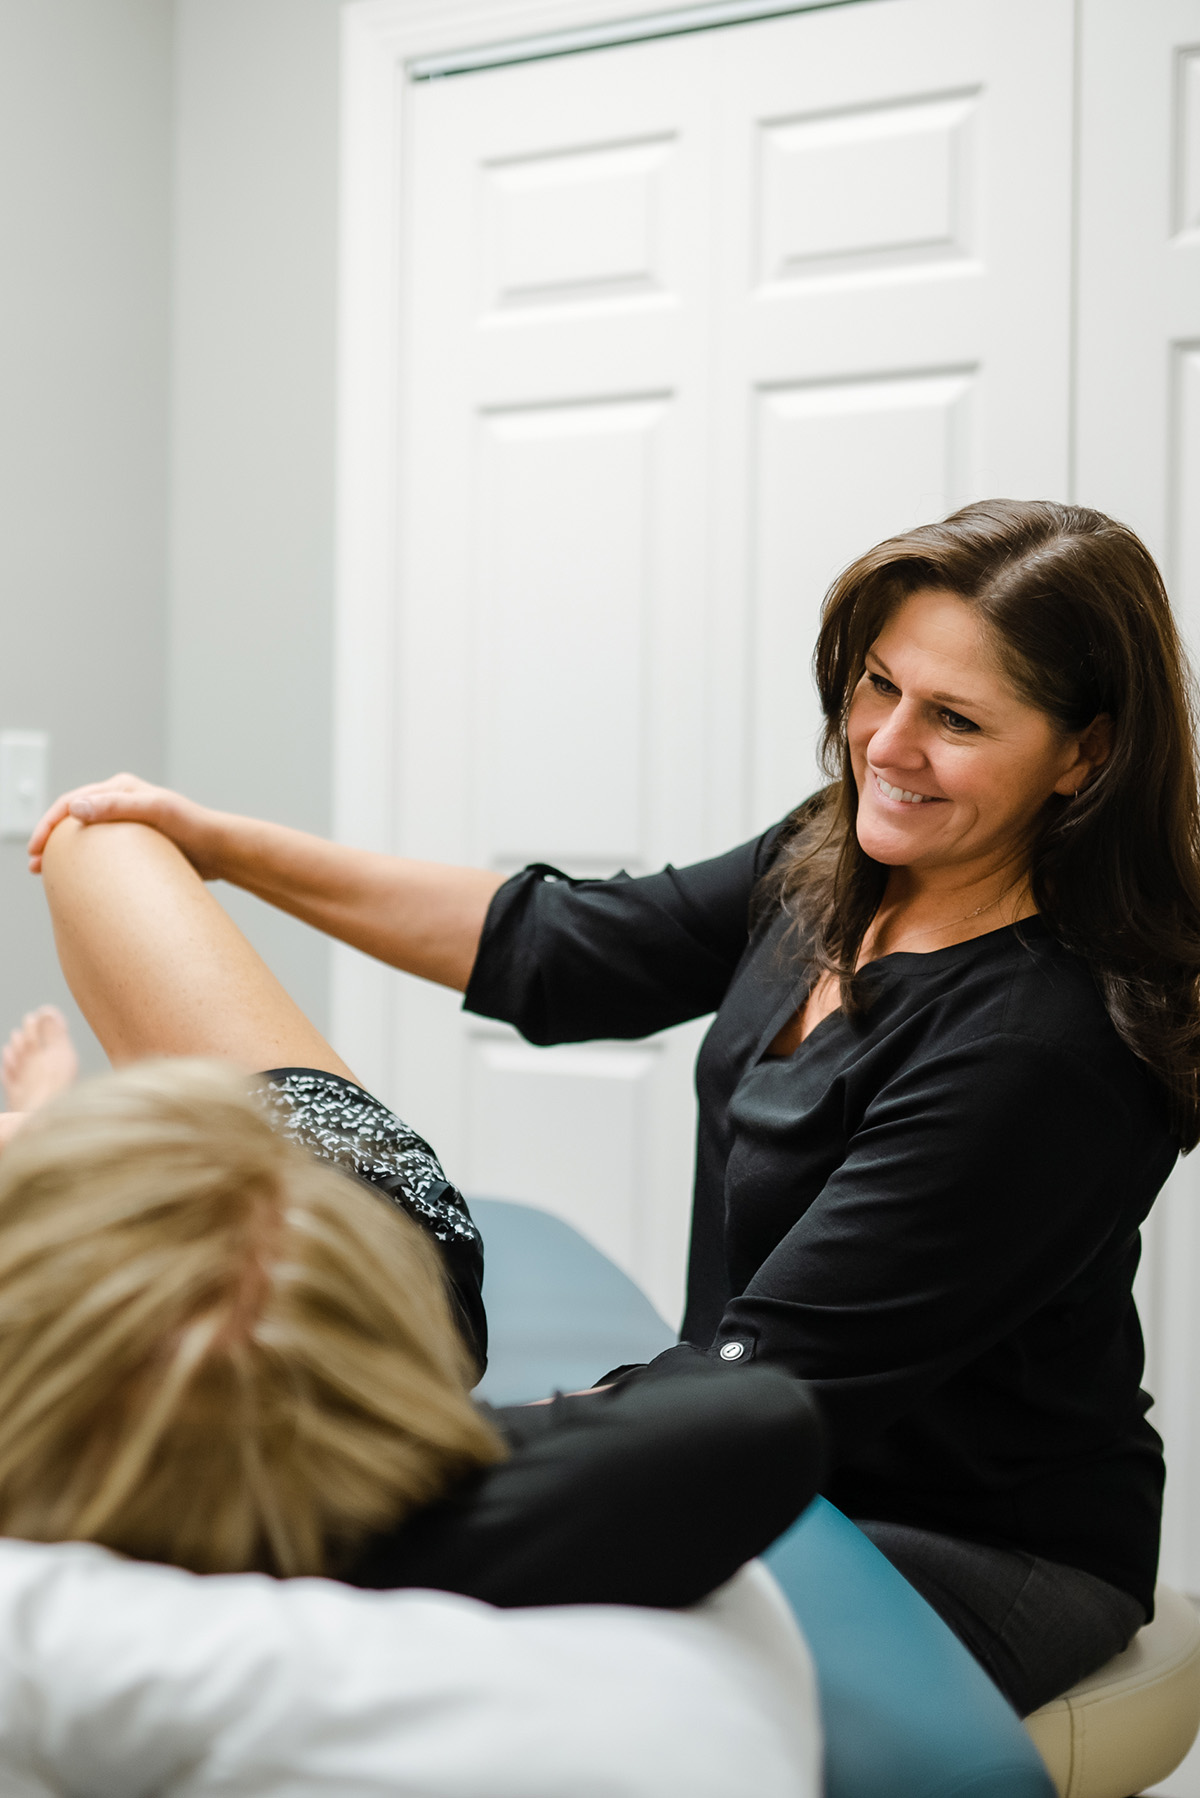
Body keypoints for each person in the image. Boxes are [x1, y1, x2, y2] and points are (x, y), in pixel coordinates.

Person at [29, 497, 1199, 1713]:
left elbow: (765, 1385)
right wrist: (221, 845)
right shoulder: (839, 859)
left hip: (947, 1536)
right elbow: (561, 947)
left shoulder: (1043, 1049)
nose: (887, 746)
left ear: (1085, 753)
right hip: (746, 1427)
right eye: (878, 685)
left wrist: (405, 1444)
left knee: (373, 1609)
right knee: (104, 857)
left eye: (955, 719)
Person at [0, 816, 822, 1605]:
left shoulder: (59, 1485)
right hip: (368, 1234)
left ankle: (50, 1131)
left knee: (90, 839)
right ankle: (56, 1132)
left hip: (305, 1224)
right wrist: (421, 1451)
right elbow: (756, 1417)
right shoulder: (389, 1503)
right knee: (92, 843)